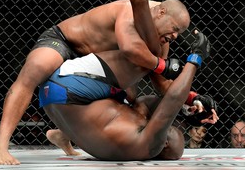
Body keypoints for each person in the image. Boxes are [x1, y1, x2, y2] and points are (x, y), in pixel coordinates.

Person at [0, 0, 191, 164]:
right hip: (66, 43)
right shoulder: (128, 11)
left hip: (94, 65)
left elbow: (162, 83)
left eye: (179, 33)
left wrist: (193, 100)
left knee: (130, 95)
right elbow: (129, 50)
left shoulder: (161, 41)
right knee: (35, 71)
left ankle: (67, 133)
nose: (175, 36)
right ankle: (1, 144)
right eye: (174, 28)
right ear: (161, 12)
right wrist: (162, 66)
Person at [42, 30, 217, 160]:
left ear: (163, 144)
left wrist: (195, 58)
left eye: (168, 129)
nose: (168, 124)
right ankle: (64, 134)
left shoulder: (148, 145)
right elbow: (149, 103)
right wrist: (190, 109)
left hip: (67, 86)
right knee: (132, 98)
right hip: (56, 101)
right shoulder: (138, 128)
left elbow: (171, 101)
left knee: (143, 62)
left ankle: (130, 34)